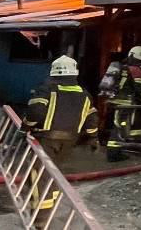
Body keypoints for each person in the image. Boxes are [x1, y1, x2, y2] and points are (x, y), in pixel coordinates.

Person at [23, 55, 98, 225]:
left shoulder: (47, 89)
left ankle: (40, 220)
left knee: (39, 176)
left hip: (46, 140)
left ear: (54, 72)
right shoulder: (84, 95)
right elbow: (92, 120)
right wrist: (93, 138)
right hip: (69, 143)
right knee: (54, 173)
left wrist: (25, 128)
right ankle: (47, 214)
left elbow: (35, 113)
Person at [106, 45, 141, 162]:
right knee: (120, 127)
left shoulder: (124, 67)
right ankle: (113, 154)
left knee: (118, 126)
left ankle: (117, 151)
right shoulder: (136, 69)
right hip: (125, 103)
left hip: (114, 101)